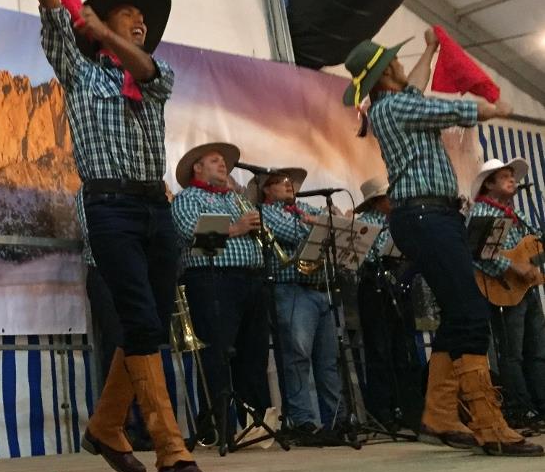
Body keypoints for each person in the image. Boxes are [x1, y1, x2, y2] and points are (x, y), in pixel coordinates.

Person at [17, 0, 207, 472]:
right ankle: (171, 448)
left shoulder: (155, 76)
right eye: (128, 15)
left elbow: (147, 68)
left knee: (144, 323)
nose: (140, 22)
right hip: (109, 208)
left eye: (144, 19)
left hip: (158, 208)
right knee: (143, 319)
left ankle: (104, 425)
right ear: (98, 23)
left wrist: (107, 32)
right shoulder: (79, 69)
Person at [344, 27, 541, 456]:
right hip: (427, 215)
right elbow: (450, 109)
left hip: (427, 215)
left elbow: (414, 85)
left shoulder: (389, 104)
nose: (400, 62)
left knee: (457, 314)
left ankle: (438, 414)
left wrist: (432, 52)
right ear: (384, 73)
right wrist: (493, 107)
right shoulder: (398, 106)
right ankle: (489, 423)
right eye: (393, 61)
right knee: (470, 312)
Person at [170, 143, 270, 442]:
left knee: (253, 355)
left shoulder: (237, 200)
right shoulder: (188, 198)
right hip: (213, 281)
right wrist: (237, 228)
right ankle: (219, 427)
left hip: (251, 280)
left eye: (224, 162)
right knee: (217, 354)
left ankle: (255, 424)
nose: (223, 165)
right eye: (214, 161)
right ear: (196, 169)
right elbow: (190, 233)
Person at [249, 168, 346, 444]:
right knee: (297, 358)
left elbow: (336, 230)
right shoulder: (265, 212)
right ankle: (303, 422)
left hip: (319, 288)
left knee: (328, 361)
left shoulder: (303, 206)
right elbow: (297, 233)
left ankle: (336, 419)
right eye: (280, 181)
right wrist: (320, 224)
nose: (288, 184)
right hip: (291, 289)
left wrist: (322, 223)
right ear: (266, 189)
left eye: (290, 181)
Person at [468, 157, 545, 431]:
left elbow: (532, 247)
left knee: (537, 349)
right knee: (513, 352)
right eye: (504, 177)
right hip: (504, 287)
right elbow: (478, 252)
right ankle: (522, 408)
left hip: (526, 290)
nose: (513, 180)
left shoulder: (517, 215)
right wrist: (514, 266)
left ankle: (541, 404)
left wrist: (531, 263)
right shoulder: (480, 213)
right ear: (489, 184)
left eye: (513, 176)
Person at [354, 176, 423, 432]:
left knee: (403, 347)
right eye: (387, 197)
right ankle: (383, 409)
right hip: (373, 286)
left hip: (398, 284)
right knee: (379, 349)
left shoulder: (398, 222)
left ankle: (408, 408)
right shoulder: (363, 223)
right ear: (376, 201)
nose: (393, 200)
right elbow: (357, 259)